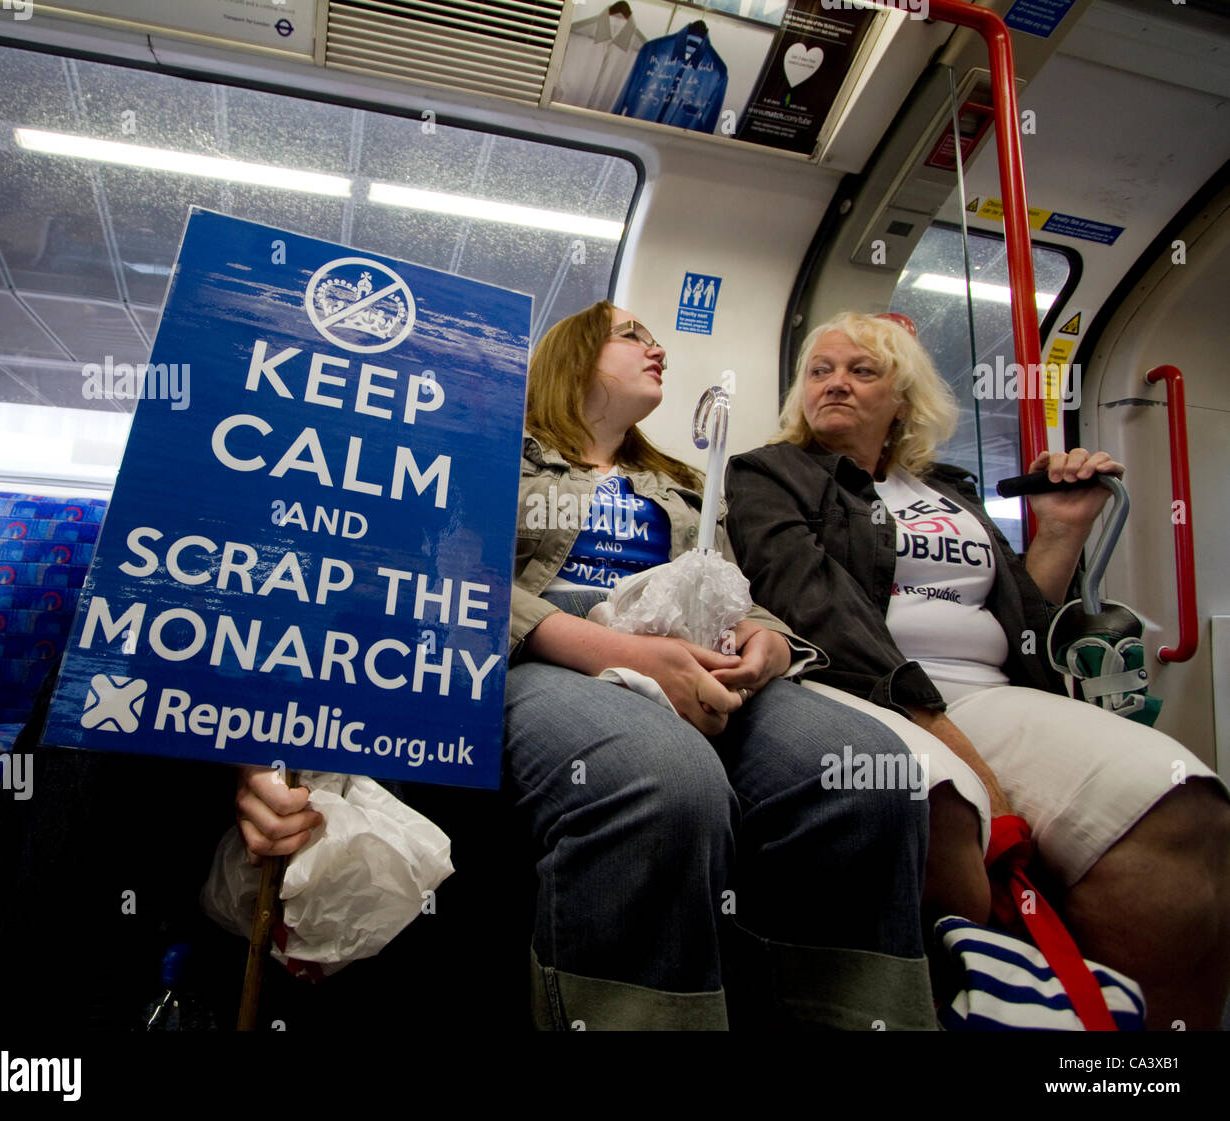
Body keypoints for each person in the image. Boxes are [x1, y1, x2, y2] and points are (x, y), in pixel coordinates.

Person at [237, 301, 935, 1031]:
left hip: (694, 651)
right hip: (539, 651)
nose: (654, 345)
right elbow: (444, 581)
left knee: (863, 768)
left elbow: (728, 589)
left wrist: (768, 645)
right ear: (571, 355)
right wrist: (618, 653)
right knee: (665, 781)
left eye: (654, 336)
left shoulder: (688, 480)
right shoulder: (489, 457)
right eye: (630, 335)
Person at [724, 310, 1230, 1029]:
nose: (835, 383)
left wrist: (1060, 528)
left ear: (903, 399)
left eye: (862, 371)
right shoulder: (771, 474)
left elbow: (1023, 616)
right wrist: (939, 725)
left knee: (1180, 800)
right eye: (820, 370)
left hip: (991, 693)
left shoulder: (950, 490)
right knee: (943, 804)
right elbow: (814, 609)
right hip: (866, 689)